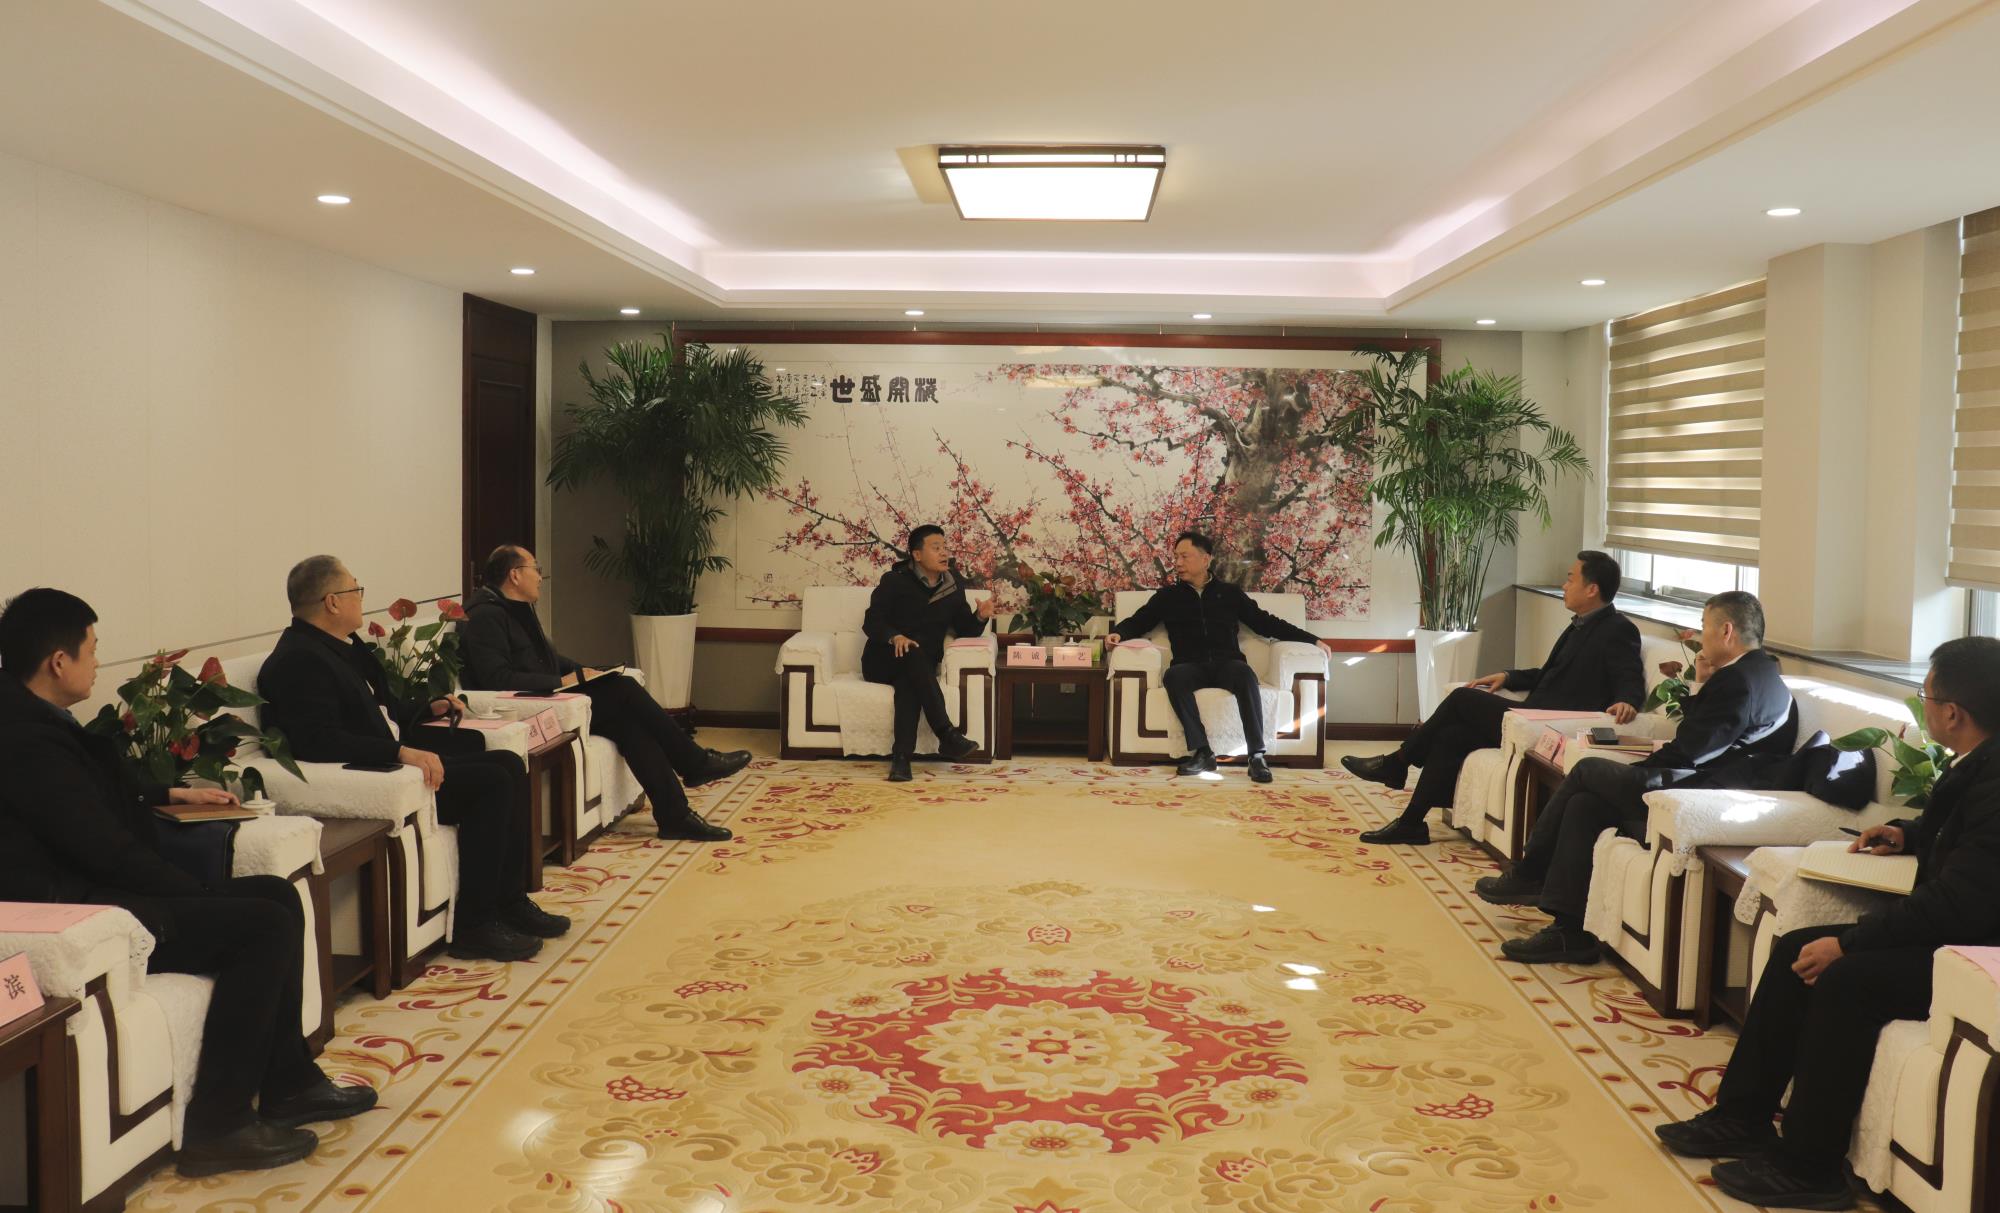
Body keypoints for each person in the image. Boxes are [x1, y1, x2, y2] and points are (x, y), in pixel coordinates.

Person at [0, 588, 377, 1177]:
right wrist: (188, 891)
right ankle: (219, 1124)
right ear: (58, 661)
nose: (98, 662)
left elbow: (83, 798)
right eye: (92, 650)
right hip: (85, 911)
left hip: (100, 889)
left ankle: (289, 1083)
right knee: (261, 925)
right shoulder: (25, 741)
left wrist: (167, 792)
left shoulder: (31, 717)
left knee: (276, 893)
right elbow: (101, 847)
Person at [1652, 636, 2000, 1211]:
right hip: (1954, 935)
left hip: (1974, 960)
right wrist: (1908, 834)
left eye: (1926, 696)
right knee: (1798, 946)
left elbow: (1960, 904)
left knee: (1844, 977)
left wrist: (1851, 943)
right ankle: (1742, 1116)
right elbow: (1967, 843)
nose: (1925, 705)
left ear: (1953, 713)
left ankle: (1808, 1166)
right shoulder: (1983, 761)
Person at [258, 556, 567, 964]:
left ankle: (509, 902)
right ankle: (474, 924)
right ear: (332, 602)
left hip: (395, 755)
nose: (361, 597)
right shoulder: (297, 660)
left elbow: (383, 707)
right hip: (379, 773)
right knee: (491, 782)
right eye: (355, 590)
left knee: (508, 763)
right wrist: (400, 752)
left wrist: (429, 707)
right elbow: (318, 742)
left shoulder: (345, 645)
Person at [1475, 590, 1795, 963]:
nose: (1700, 635)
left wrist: (1638, 771)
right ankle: (1569, 933)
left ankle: (1530, 871)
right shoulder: (1761, 674)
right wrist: (1702, 684)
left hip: (1697, 795)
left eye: (1704, 626)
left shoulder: (1739, 681)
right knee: (1585, 804)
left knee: (1588, 770)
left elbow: (1692, 750)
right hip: (1703, 785)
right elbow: (1709, 737)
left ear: (1726, 631)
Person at [1345, 550, 1644, 843]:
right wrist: (1509, 676)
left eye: (1570, 579)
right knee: (1451, 735)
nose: (1564, 586)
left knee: (1463, 698)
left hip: (1547, 725)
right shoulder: (1579, 625)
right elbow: (1550, 674)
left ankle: (1398, 761)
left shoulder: (1619, 630)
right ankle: (1411, 823)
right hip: (1530, 716)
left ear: (1592, 589)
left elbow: (1629, 676)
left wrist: (1627, 700)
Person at [459, 545, 747, 841]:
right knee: (624, 689)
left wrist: (586, 672)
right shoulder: (485, 617)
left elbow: (548, 659)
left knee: (631, 726)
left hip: (552, 698)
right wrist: (559, 682)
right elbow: (496, 679)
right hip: (528, 709)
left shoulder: (517, 610)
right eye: (536, 569)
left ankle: (675, 816)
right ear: (515, 575)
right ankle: (694, 762)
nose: (540, 577)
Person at [1106, 532, 1325, 783]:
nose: (1177, 562)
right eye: (1176, 557)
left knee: (1245, 675)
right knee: (1174, 676)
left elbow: (1265, 623)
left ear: (1205, 559)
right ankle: (1202, 752)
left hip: (1227, 664)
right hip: (1189, 665)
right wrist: (1118, 633)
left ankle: (1256, 756)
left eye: (1184, 556)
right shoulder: (1168, 596)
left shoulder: (1230, 594)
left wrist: (1312, 640)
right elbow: (1140, 620)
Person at [861, 524, 996, 782]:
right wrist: (895, 636)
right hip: (882, 660)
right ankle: (946, 734)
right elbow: (871, 621)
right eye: (936, 548)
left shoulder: (952, 586)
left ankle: (901, 760)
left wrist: (979, 616)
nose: (944, 553)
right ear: (917, 554)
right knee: (913, 655)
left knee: (909, 683)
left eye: (945, 547)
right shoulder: (894, 582)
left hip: (918, 666)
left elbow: (964, 629)